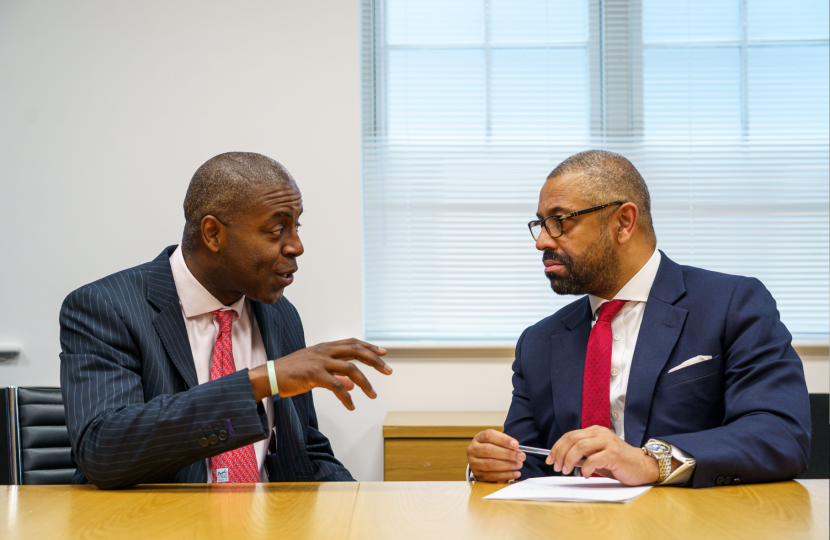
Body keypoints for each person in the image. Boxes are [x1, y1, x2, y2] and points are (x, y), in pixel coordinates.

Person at [466, 150, 811, 488]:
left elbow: (780, 434)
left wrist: (651, 462)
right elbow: (529, 465)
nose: (542, 241)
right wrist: (494, 465)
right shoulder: (538, 342)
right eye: (540, 224)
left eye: (559, 222)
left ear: (624, 222)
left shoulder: (731, 304)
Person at [59, 152, 392, 488]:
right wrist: (262, 381)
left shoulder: (281, 315)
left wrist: (359, 508)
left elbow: (303, 450)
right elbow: (104, 451)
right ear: (213, 234)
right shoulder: (106, 307)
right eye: (277, 229)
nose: (296, 246)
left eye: (296, 226)